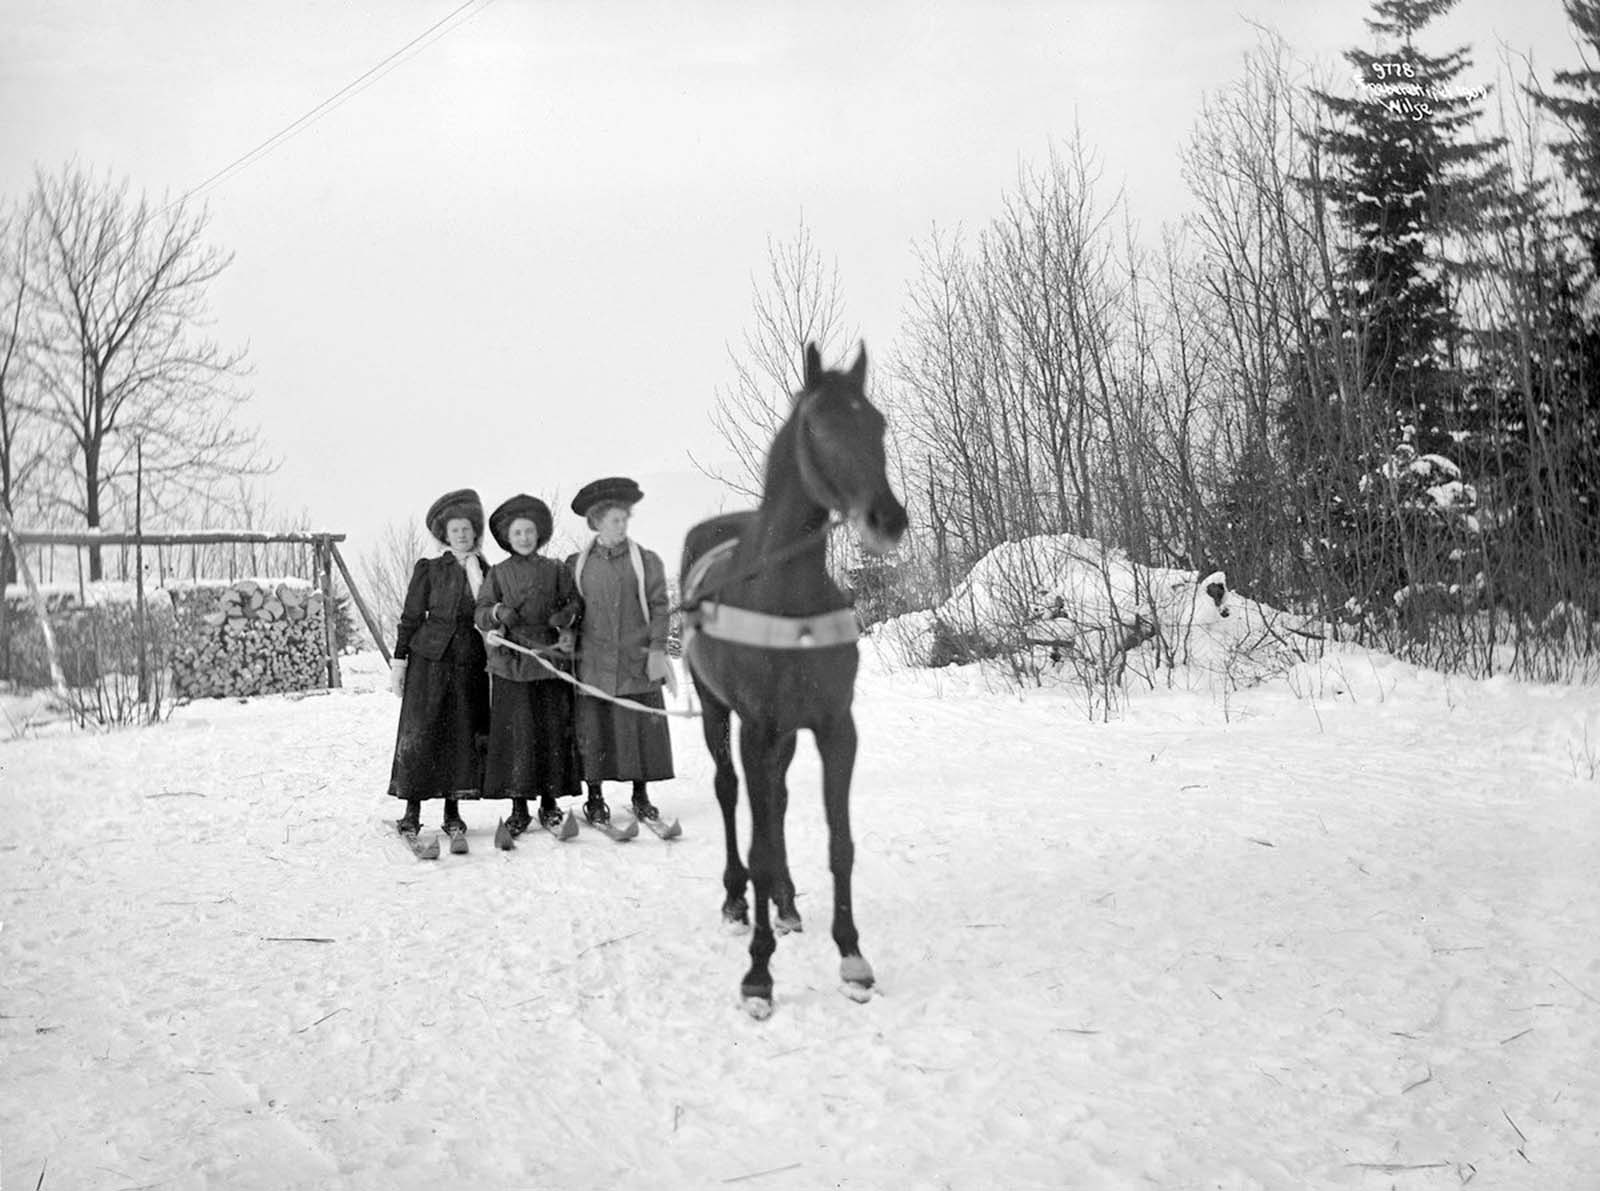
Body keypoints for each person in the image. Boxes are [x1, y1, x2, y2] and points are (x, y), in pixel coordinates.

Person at [566, 476, 675, 825]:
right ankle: (595, 800)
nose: (622, 524)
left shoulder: (646, 561)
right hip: (593, 665)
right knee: (594, 731)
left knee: (637, 730)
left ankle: (640, 796)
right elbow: (570, 609)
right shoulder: (577, 565)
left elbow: (660, 607)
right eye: (615, 519)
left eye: (625, 518)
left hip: (636, 662)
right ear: (597, 522)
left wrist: (658, 650)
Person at [388, 487, 490, 851]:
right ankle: (412, 812)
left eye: (466, 529)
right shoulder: (429, 569)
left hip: (470, 661)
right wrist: (399, 662)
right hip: (429, 661)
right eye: (455, 529)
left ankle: (453, 811)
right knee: (424, 731)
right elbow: (411, 616)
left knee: (462, 732)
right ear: (444, 535)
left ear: (474, 532)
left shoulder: (486, 570)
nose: (462, 535)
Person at [475, 493, 583, 835]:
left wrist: (566, 615)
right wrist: (495, 613)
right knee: (517, 736)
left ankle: (549, 805)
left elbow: (575, 603)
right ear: (507, 537)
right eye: (517, 532)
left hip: (549, 660)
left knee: (551, 733)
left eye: (529, 532)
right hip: (511, 663)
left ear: (539, 535)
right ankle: (519, 807)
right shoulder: (497, 574)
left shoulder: (556, 569)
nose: (524, 538)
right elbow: (480, 612)